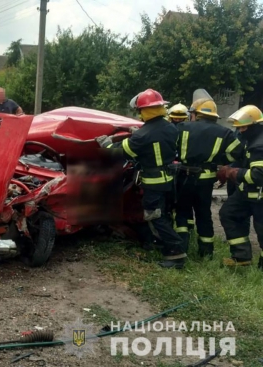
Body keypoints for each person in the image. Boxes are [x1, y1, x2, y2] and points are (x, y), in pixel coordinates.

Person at [96, 88, 187, 269]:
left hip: (154, 182)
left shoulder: (143, 134)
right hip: (169, 179)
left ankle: (176, 252)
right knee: (163, 214)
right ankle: (162, 244)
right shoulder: (169, 127)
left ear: (145, 111)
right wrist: (136, 131)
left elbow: (124, 150)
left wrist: (106, 144)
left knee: (154, 215)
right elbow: (154, 137)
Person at [174, 89, 244, 259]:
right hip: (205, 180)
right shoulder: (225, 133)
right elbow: (237, 153)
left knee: (182, 212)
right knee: (204, 215)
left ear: (197, 114)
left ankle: (181, 248)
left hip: (184, 177)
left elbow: (171, 148)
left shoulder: (182, 127)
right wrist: (218, 161)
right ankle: (206, 254)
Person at [217, 105, 263, 269]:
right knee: (228, 214)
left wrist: (234, 173)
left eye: (243, 127)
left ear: (255, 125)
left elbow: (258, 176)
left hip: (259, 196)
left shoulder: (259, 145)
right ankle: (241, 257)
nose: (241, 131)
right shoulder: (250, 139)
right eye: (239, 128)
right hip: (247, 193)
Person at [168, 103, 195, 231]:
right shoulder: (167, 129)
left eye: (181, 119)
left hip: (185, 169)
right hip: (171, 168)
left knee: (185, 199)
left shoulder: (192, 130)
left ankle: (189, 225)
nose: (178, 121)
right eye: (175, 118)